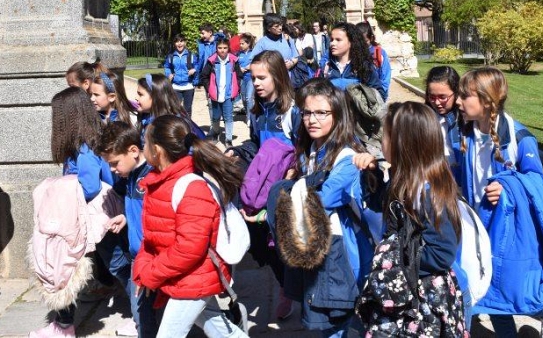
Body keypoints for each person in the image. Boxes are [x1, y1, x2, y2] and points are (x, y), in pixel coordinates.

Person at [457, 67, 543, 337]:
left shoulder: (520, 138)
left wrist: (507, 188)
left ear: (487, 101)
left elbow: (538, 181)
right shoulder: (465, 136)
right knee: (489, 292)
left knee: (524, 285)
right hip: (480, 230)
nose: (458, 101)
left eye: (466, 96)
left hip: (512, 233)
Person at [271, 79, 374, 336]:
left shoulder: (347, 156)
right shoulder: (314, 149)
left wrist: (289, 189)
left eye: (321, 113)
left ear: (338, 116)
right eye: (307, 112)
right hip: (321, 245)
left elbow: (322, 199)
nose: (312, 120)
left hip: (342, 252)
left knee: (336, 324)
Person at [132, 115, 247, 338]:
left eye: (144, 143)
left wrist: (150, 273)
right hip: (184, 276)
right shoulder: (160, 182)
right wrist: (143, 267)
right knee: (217, 328)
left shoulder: (191, 188)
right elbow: (154, 238)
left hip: (194, 279)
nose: (142, 147)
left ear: (157, 150)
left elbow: (189, 249)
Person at [357, 101, 465, 337]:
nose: (379, 141)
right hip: (404, 287)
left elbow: (442, 253)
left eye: (383, 135)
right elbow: (380, 206)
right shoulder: (401, 179)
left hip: (422, 298)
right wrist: (372, 173)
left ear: (401, 144)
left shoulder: (427, 192)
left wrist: (394, 260)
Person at [29, 87, 131, 338]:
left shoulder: (83, 146)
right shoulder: (91, 137)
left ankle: (143, 314)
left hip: (96, 216)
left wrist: (59, 187)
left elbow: (90, 185)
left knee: (108, 266)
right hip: (99, 214)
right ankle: (64, 323)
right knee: (111, 265)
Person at [227, 50, 301, 320]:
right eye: (253, 77)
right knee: (261, 243)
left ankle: (292, 289)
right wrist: (237, 151)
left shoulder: (293, 111)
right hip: (261, 188)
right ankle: (286, 285)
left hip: (286, 188)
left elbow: (304, 148)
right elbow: (256, 145)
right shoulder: (258, 112)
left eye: (262, 77)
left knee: (284, 244)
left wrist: (295, 173)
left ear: (278, 77)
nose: (256, 83)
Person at [97, 122, 157, 338]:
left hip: (153, 259)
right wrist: (125, 217)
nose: (112, 169)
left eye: (114, 163)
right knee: (141, 315)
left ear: (133, 151)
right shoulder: (129, 175)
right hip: (137, 259)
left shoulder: (152, 175)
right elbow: (137, 210)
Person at [321, 22, 384, 99]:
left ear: (351, 42)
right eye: (331, 40)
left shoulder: (363, 67)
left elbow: (380, 94)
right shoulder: (326, 68)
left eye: (338, 40)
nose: (332, 43)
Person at [200, 37, 242, 145]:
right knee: (215, 117)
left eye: (225, 48)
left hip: (228, 95)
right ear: (216, 48)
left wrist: (237, 89)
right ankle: (216, 134)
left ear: (228, 48)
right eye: (219, 48)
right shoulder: (211, 61)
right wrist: (209, 88)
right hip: (215, 95)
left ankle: (228, 139)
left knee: (228, 117)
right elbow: (204, 76)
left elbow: (239, 76)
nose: (222, 50)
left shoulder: (234, 60)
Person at [424, 65, 462, 181]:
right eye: (432, 97)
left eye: (442, 97)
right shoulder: (425, 118)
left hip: (459, 182)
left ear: (456, 93)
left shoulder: (465, 120)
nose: (437, 102)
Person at [136, 73, 187, 143]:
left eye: (140, 94)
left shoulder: (167, 127)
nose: (136, 98)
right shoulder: (145, 116)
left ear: (156, 97)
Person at [356, 22, 392, 101]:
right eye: (358, 41)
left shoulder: (379, 53)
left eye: (365, 41)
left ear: (371, 38)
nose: (361, 45)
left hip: (376, 95)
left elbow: (385, 75)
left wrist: (381, 94)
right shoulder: (352, 53)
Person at [164, 34, 198, 117]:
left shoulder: (191, 55)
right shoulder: (171, 56)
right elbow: (167, 66)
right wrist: (168, 74)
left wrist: (194, 69)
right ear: (174, 44)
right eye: (177, 42)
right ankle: (177, 128)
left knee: (187, 110)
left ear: (185, 43)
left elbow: (197, 65)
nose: (179, 44)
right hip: (176, 86)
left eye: (181, 41)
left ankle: (188, 127)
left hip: (188, 86)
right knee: (175, 109)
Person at [237, 33, 255, 123]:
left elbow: (257, 63)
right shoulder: (238, 54)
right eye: (240, 43)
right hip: (242, 78)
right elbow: (235, 65)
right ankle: (247, 111)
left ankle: (249, 118)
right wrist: (239, 68)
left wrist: (250, 66)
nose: (240, 45)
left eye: (242, 43)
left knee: (249, 98)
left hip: (251, 78)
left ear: (248, 44)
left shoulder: (254, 53)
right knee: (244, 98)